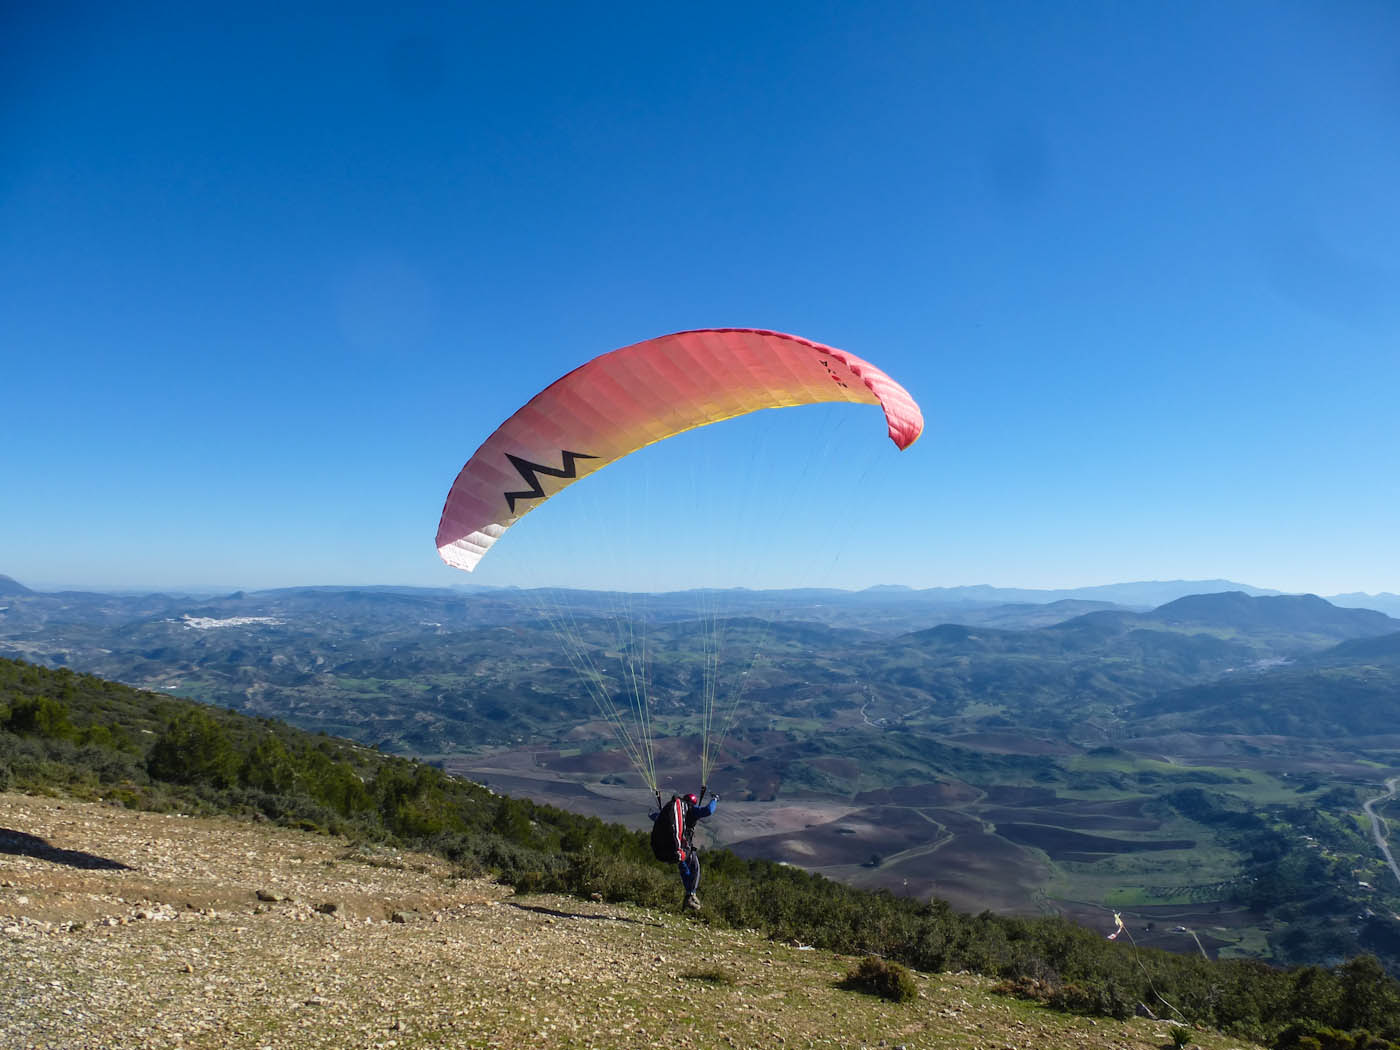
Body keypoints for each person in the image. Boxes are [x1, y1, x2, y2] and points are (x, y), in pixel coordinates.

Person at [651, 791, 718, 910]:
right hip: (684, 847)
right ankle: (691, 895)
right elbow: (708, 810)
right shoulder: (691, 810)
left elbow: (658, 818)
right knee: (695, 867)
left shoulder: (674, 812)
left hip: (674, 848)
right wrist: (715, 799)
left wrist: (653, 814)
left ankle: (689, 896)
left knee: (684, 868)